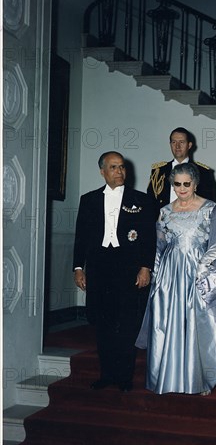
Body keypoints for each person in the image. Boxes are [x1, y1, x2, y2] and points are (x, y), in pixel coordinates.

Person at [136, 162, 216, 395]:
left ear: (196, 183)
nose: (181, 188)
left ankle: (199, 379)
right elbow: (159, 246)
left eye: (186, 184)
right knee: (166, 322)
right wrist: (156, 275)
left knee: (199, 322)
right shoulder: (165, 212)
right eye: (177, 184)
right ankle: (165, 377)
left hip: (198, 271)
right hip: (169, 275)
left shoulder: (210, 209)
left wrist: (204, 272)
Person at [73, 151, 156, 392]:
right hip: (99, 268)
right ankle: (106, 374)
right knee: (103, 322)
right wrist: (78, 268)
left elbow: (148, 239)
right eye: (113, 167)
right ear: (102, 172)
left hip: (128, 267)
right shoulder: (89, 200)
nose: (119, 172)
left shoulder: (141, 200)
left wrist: (145, 267)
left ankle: (124, 377)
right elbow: (81, 237)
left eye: (122, 167)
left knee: (127, 323)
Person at [146, 127, 216, 219]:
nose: (177, 146)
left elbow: (209, 205)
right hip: (163, 224)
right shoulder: (158, 171)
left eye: (182, 142)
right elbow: (149, 202)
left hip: (193, 225)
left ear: (189, 145)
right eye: (174, 142)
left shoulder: (203, 172)